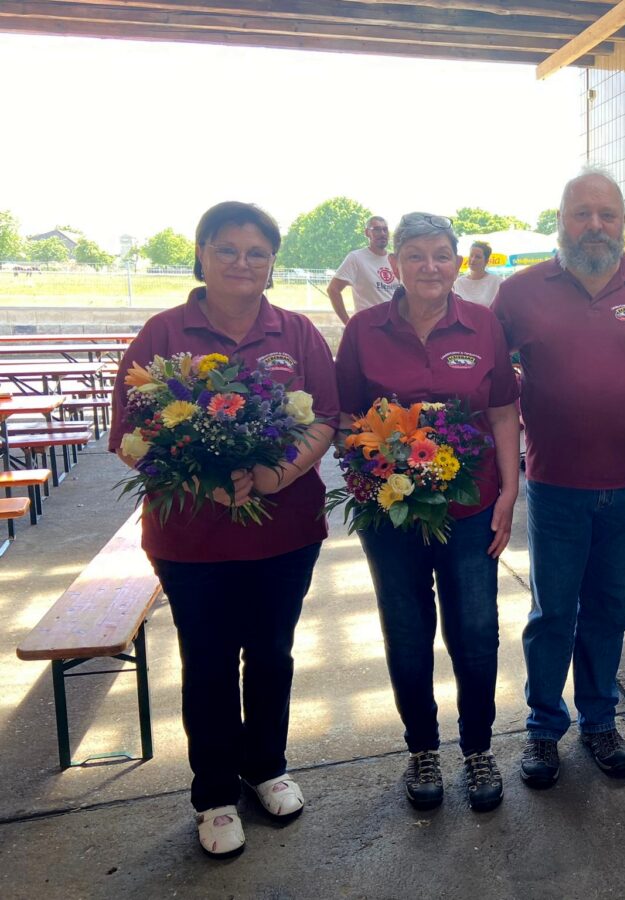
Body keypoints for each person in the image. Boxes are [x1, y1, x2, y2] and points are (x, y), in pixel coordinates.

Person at [110, 201, 338, 858]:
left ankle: (266, 767)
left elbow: (326, 415)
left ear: (273, 262)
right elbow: (127, 435)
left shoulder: (295, 333)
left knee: (271, 653)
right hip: (191, 539)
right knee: (207, 661)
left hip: (284, 533)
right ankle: (213, 793)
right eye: (228, 249)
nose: (243, 263)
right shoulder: (163, 333)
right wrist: (200, 479)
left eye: (257, 252)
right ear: (202, 254)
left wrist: (278, 475)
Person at [493, 169, 625, 789]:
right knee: (553, 612)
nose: (595, 225)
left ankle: (599, 719)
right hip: (554, 488)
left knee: (609, 610)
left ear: (623, 221)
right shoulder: (520, 293)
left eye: (607, 214)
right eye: (582, 214)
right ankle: (543, 728)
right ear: (561, 219)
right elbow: (493, 393)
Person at [335, 212, 521, 814]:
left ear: (457, 259)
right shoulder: (364, 330)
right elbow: (342, 420)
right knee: (407, 630)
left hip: (469, 510)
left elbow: (501, 415)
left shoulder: (482, 323)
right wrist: (376, 471)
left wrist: (510, 493)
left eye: (442, 255)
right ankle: (422, 748)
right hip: (390, 514)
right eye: (417, 256)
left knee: (475, 630)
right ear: (398, 264)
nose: (431, 267)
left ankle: (476, 748)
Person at [327, 216, 396, 325]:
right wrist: (349, 324)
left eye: (385, 229)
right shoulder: (356, 258)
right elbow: (333, 290)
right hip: (369, 328)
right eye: (377, 229)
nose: (382, 233)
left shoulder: (395, 259)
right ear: (367, 232)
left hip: (394, 327)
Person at [454, 241, 503, 307]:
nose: (473, 259)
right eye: (471, 255)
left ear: (486, 261)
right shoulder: (458, 282)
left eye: (478, 257)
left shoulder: (496, 282)